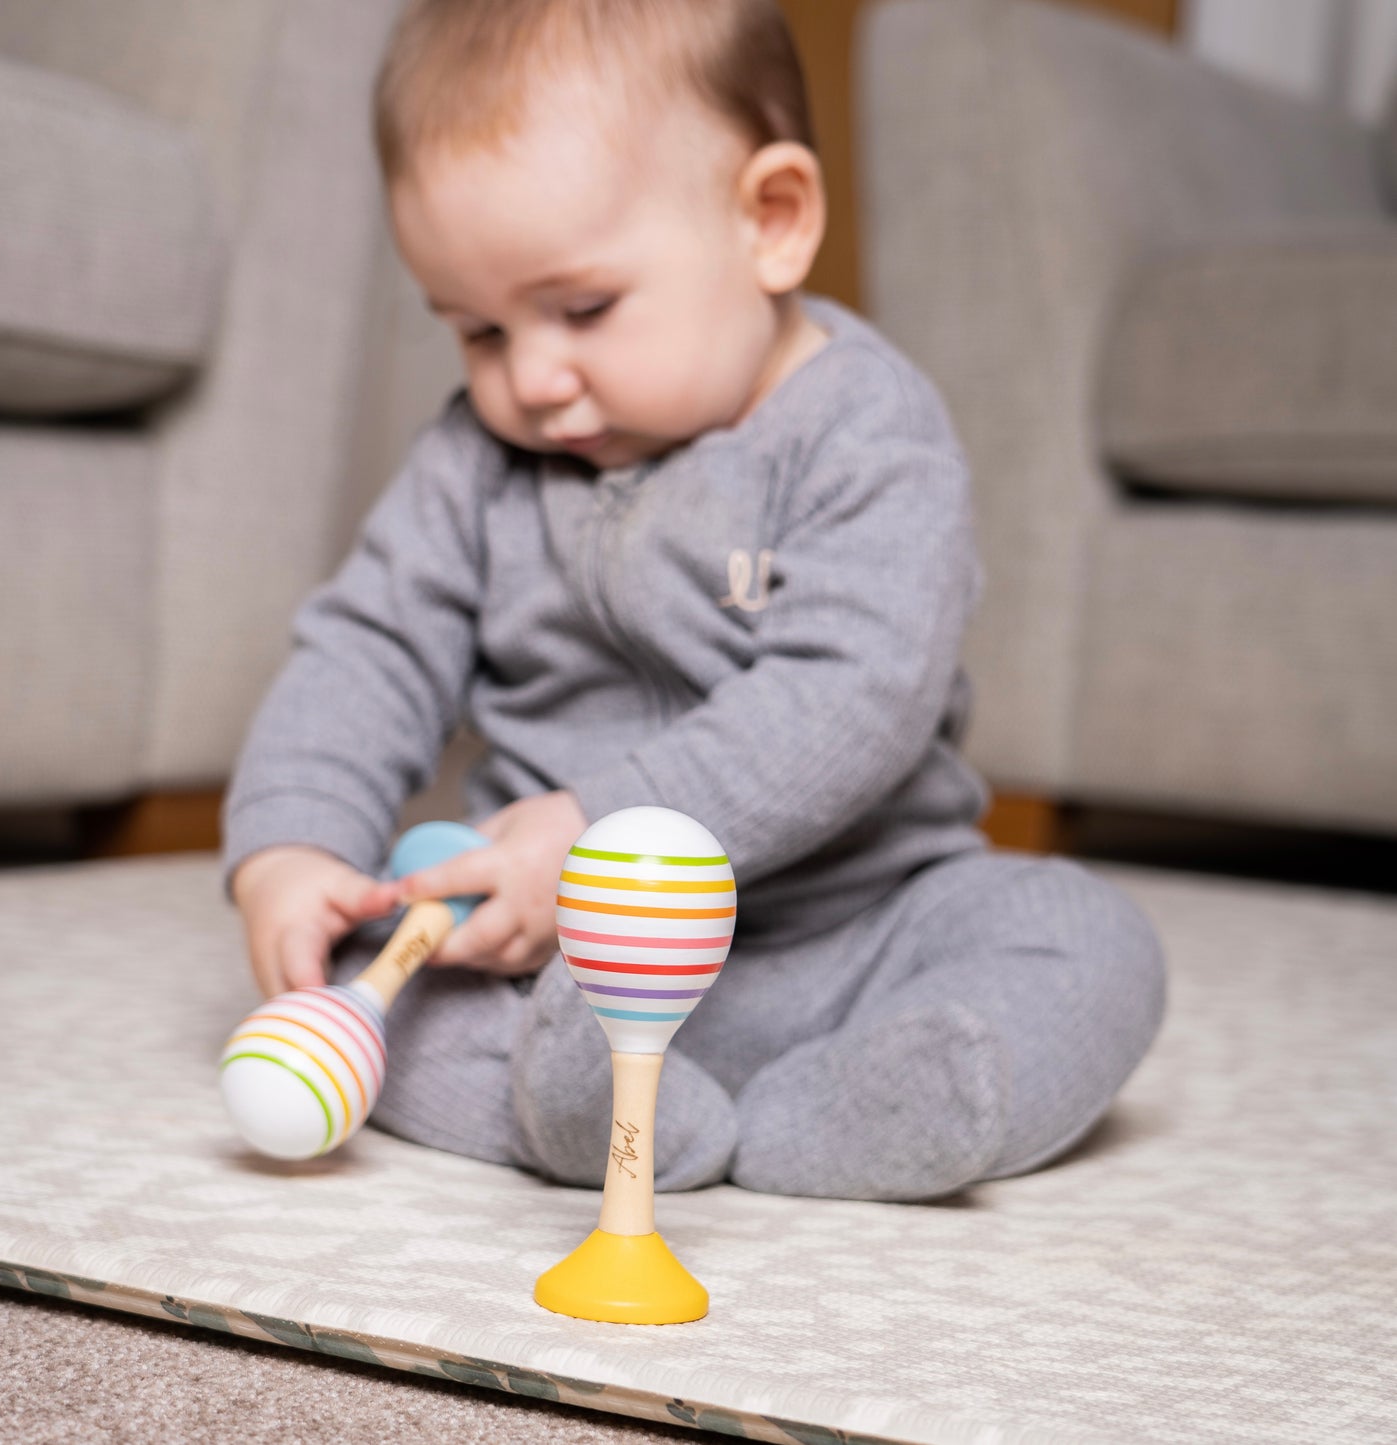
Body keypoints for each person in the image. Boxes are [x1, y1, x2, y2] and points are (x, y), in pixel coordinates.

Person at [223, 0, 1165, 1201]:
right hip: (560, 969)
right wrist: (289, 844)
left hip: (856, 929)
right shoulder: (475, 462)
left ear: (768, 221)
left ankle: (873, 1106)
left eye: (581, 309)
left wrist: (596, 833)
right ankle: (585, 1106)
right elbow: (367, 648)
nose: (532, 380)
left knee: (1088, 940)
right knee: (377, 968)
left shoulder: (864, 432)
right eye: (475, 330)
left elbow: (855, 692)